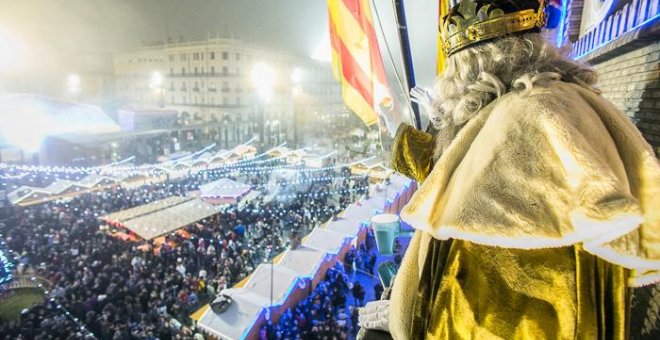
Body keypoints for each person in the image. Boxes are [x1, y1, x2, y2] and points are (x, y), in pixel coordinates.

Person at [359, 0, 660, 339]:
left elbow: (483, 318)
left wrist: (411, 319)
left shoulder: (530, 128)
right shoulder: (541, 104)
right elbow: (464, 175)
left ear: (471, 70)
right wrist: (403, 137)